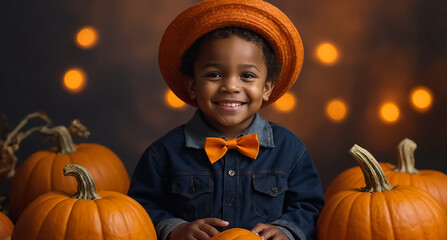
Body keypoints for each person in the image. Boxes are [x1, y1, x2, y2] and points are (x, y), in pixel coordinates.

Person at [127, 0, 325, 239]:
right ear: (192, 85)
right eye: (214, 74)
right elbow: (138, 209)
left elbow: (310, 207)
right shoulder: (164, 153)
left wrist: (286, 230)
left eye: (247, 75)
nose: (231, 86)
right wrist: (174, 228)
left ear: (267, 88)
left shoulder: (290, 149)